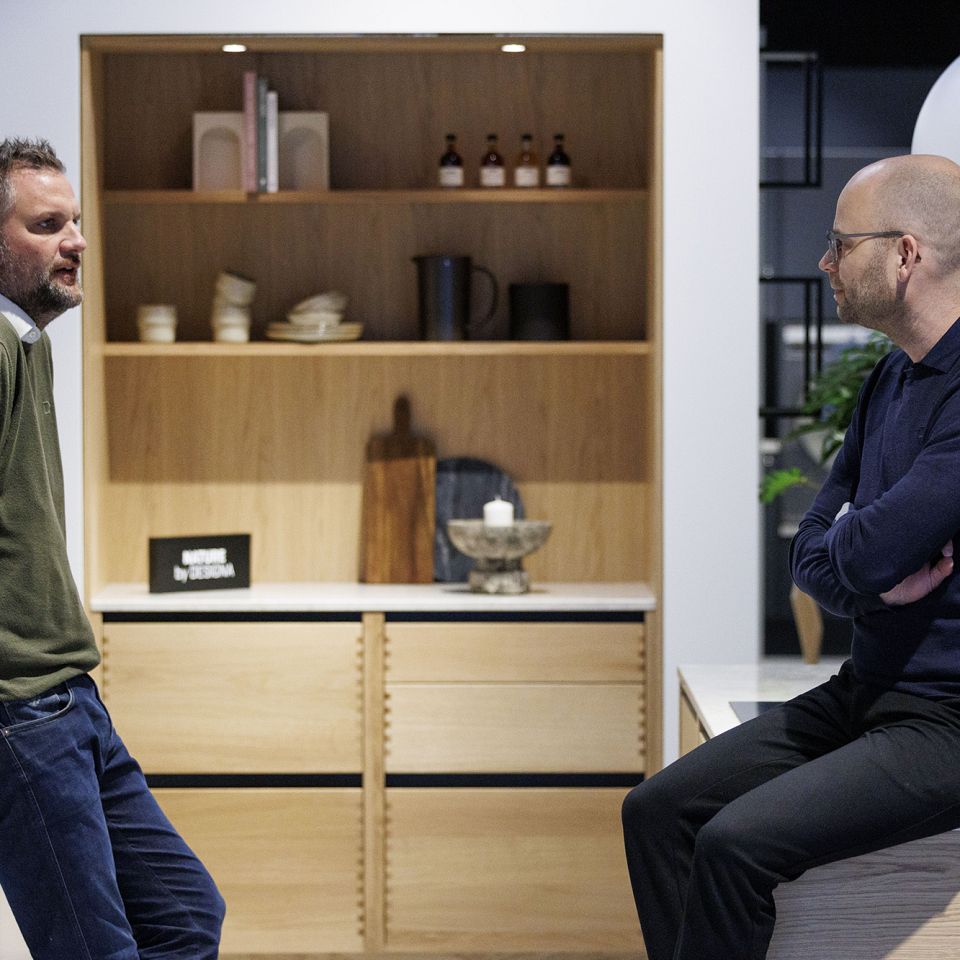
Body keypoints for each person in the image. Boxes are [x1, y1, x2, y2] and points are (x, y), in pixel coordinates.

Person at [622, 152, 960, 960]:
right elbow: (814, 549)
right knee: (655, 810)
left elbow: (866, 547)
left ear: (905, 253)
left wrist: (860, 569)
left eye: (843, 243)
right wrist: (871, 588)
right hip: (864, 692)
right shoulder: (888, 380)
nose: (825, 261)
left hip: (946, 720)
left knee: (735, 844)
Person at [0, 137, 225, 958]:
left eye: (77, 222)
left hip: (70, 696)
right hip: (20, 710)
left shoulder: (27, 340)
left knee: (186, 915)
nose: (77, 241)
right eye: (47, 224)